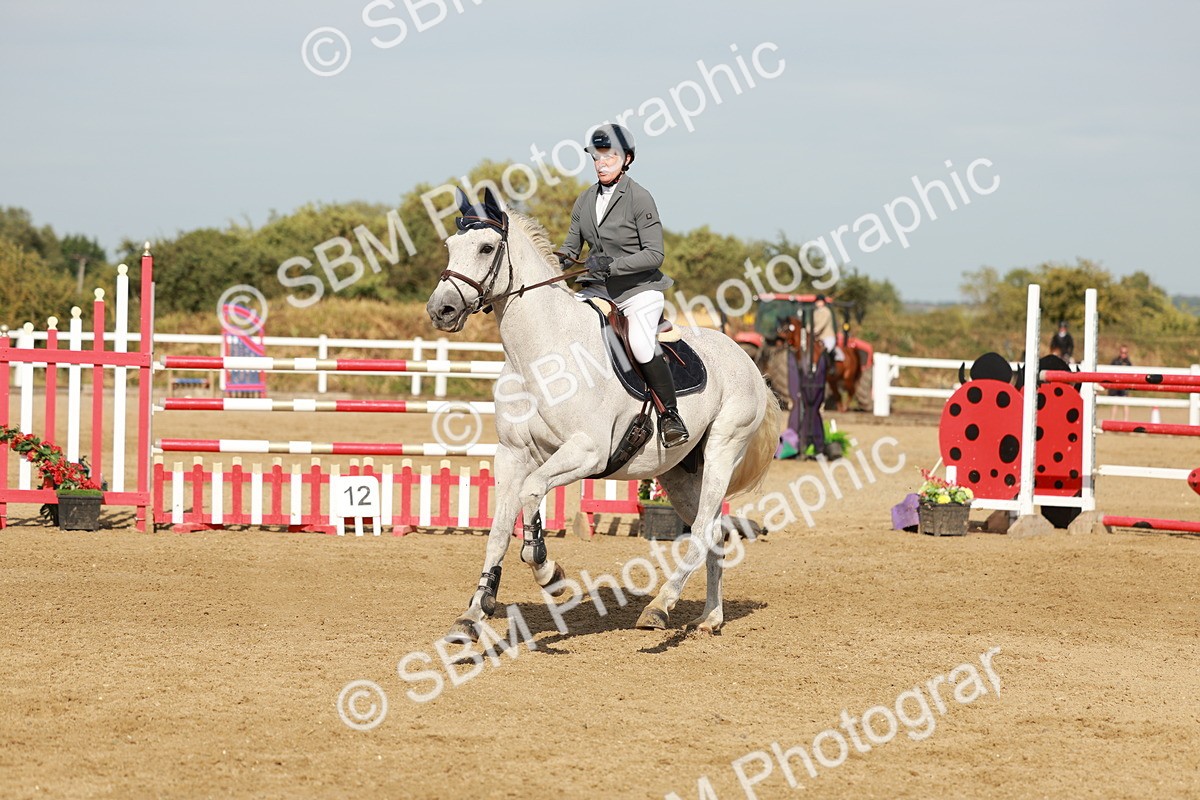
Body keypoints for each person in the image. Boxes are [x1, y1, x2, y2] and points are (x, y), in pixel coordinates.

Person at [558, 123, 688, 448]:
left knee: (642, 344)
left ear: (626, 159)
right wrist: (545, 264)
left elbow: (655, 254)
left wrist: (613, 266)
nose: (601, 164)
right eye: (597, 158)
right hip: (596, 290)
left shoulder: (640, 198)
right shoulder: (585, 200)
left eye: (609, 157)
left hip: (638, 291)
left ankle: (670, 415)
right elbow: (570, 250)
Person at [811, 296, 843, 363]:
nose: (818, 303)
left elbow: (822, 324)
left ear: (823, 302)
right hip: (818, 338)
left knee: (826, 352)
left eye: (820, 301)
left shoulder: (826, 312)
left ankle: (832, 366)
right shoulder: (815, 313)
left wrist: (814, 330)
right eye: (817, 301)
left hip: (827, 337)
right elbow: (811, 323)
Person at [1109, 344, 1132, 421]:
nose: (1123, 354)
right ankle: (1112, 421)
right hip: (1115, 385)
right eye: (1122, 352)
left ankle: (1126, 422)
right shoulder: (1115, 361)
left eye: (1125, 353)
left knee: (1125, 404)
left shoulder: (1128, 363)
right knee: (1115, 404)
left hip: (1124, 386)